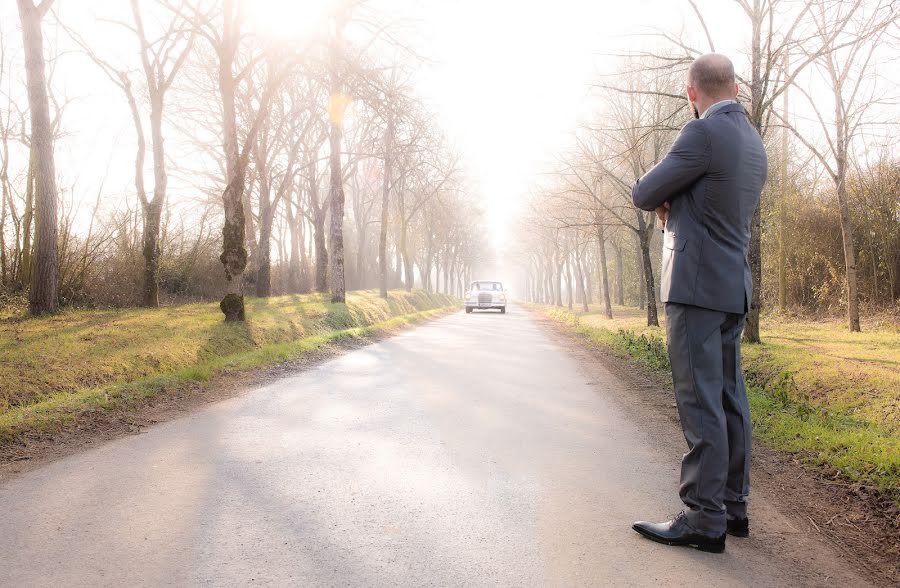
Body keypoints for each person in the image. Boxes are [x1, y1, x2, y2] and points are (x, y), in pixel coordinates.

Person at [630, 53, 768, 553]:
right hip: (733, 288)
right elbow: (713, 204)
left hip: (695, 290)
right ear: (735, 87)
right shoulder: (754, 142)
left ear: (693, 93)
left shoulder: (701, 134)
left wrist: (668, 202)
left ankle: (703, 517)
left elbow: (645, 192)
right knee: (731, 399)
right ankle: (733, 506)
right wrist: (680, 203)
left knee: (700, 400)